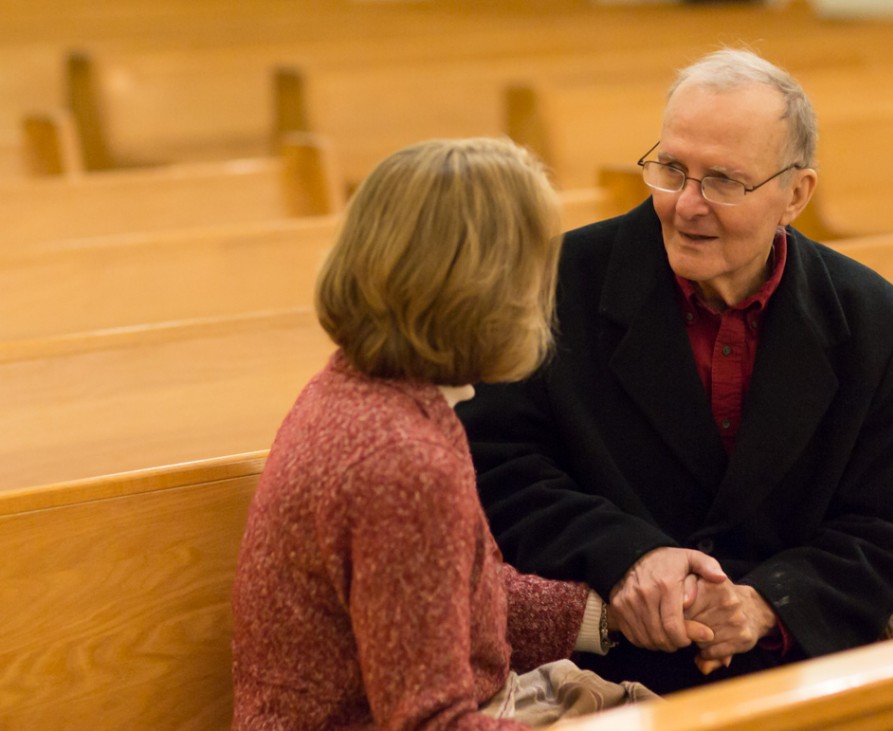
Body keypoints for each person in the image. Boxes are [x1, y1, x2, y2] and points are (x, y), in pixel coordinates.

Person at [455, 49, 893, 694]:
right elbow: (495, 466)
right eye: (672, 169)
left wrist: (763, 604)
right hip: (598, 675)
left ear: (796, 194)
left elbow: (883, 528)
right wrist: (629, 557)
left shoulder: (879, 323)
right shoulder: (555, 283)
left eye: (724, 181)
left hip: (796, 678)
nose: (686, 205)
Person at [231, 137, 662, 729]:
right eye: (534, 268)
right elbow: (429, 722)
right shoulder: (398, 461)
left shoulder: (374, 390)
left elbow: (450, 596)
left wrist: (603, 615)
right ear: (486, 288)